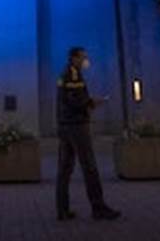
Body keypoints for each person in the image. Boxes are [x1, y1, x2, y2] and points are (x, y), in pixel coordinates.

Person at [55, 46, 121, 221]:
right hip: (77, 126)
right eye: (83, 57)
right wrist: (92, 103)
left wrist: (87, 102)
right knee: (89, 166)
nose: (85, 60)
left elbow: (67, 99)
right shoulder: (73, 74)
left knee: (65, 169)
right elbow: (74, 100)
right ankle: (98, 208)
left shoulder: (63, 74)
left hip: (65, 125)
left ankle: (62, 209)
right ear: (74, 58)